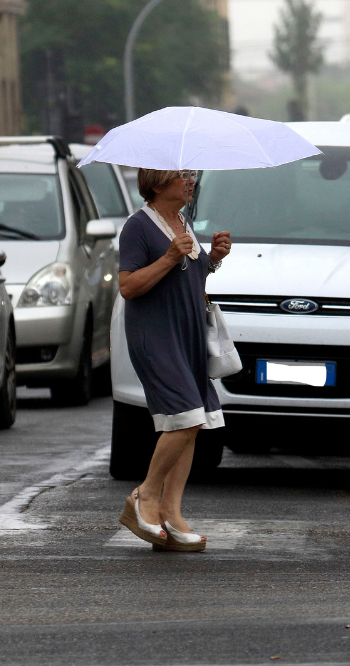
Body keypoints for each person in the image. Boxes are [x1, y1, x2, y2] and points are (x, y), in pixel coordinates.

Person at [116, 168, 232, 552]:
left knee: (193, 421)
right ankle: (145, 497)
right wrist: (168, 257)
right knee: (186, 416)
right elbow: (128, 286)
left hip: (188, 336)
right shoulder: (138, 226)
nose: (191, 181)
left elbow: (189, 279)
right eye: (183, 175)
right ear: (157, 182)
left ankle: (170, 511)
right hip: (156, 337)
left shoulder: (182, 221)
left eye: (191, 175)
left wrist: (212, 259)